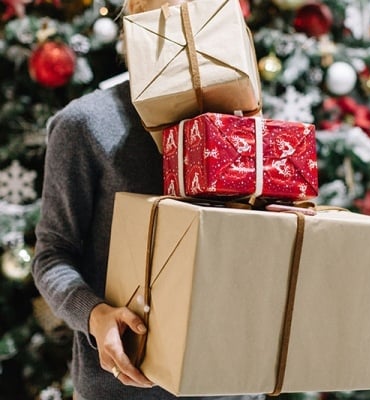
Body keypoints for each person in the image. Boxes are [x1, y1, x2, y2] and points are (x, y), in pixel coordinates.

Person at [32, 1, 263, 399]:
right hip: (124, 387)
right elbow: (52, 255)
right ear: (134, 33)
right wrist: (95, 314)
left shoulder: (250, 122)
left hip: (231, 384)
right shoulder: (85, 125)